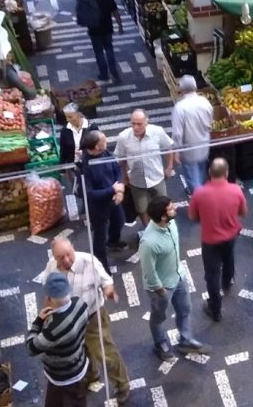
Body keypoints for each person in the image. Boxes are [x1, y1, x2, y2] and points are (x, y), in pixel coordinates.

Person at [45, 239, 130, 404]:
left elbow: (107, 281)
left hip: (92, 317)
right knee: (81, 352)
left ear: (73, 248)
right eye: (61, 257)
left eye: (68, 254)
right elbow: (49, 291)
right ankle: (91, 375)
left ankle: (122, 384)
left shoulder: (89, 262)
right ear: (54, 258)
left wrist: (108, 291)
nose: (66, 260)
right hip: (69, 320)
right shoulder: (50, 268)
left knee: (105, 353)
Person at [139, 196, 210, 360]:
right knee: (159, 317)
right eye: (171, 209)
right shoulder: (149, 242)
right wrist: (159, 289)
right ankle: (160, 343)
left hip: (178, 276)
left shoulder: (170, 224)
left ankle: (185, 340)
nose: (175, 209)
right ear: (163, 217)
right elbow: (148, 271)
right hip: (162, 287)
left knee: (185, 309)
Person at [188, 158, 246, 322]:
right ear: (226, 172)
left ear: (209, 173)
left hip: (210, 240)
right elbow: (243, 212)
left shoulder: (199, 193)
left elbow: (192, 217)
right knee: (228, 258)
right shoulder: (236, 190)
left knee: (212, 274)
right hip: (230, 236)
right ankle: (227, 281)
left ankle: (215, 310)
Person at [26, 272, 91, 407]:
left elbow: (31, 348)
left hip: (63, 376)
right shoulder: (80, 304)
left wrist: (38, 322)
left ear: (49, 298)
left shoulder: (53, 330)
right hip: (79, 363)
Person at [115, 110, 176, 227]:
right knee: (141, 208)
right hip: (136, 181)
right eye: (133, 123)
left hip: (156, 177)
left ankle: (164, 227)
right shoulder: (123, 137)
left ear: (146, 122)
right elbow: (121, 159)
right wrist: (125, 177)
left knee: (163, 205)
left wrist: (169, 167)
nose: (135, 127)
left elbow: (168, 148)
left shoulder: (157, 131)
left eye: (139, 124)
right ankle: (148, 229)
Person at [81, 130, 127, 270]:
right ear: (97, 146)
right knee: (100, 236)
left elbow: (117, 170)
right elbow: (89, 193)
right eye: (104, 141)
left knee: (119, 221)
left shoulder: (106, 153)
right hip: (98, 207)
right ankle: (101, 265)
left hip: (113, 199)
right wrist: (113, 190)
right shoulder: (85, 166)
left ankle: (113, 242)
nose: (107, 143)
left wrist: (119, 190)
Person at [170, 75, 213, 198]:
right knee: (201, 170)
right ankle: (200, 191)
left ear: (181, 89)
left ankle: (200, 198)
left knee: (192, 175)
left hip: (188, 148)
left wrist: (176, 150)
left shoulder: (180, 107)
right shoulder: (205, 102)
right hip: (204, 144)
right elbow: (210, 121)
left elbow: (177, 133)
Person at [85, 0, 123, 83]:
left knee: (99, 53)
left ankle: (104, 74)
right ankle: (114, 72)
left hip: (94, 31)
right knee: (109, 50)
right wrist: (120, 25)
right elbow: (116, 13)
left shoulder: (89, 0)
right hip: (107, 29)